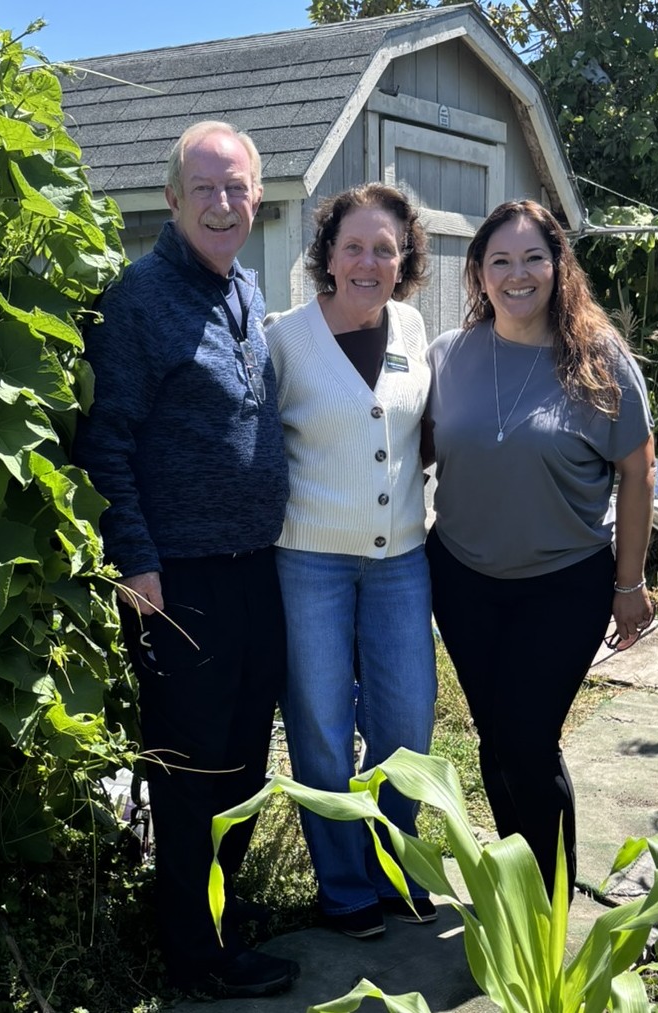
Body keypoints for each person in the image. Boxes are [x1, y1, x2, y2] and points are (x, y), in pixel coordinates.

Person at [73, 121, 300, 998]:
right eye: (204, 188)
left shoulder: (244, 287)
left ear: (257, 197)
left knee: (244, 757)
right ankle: (195, 956)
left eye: (236, 187)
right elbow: (106, 442)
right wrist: (136, 561)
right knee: (191, 766)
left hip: (255, 568)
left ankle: (213, 914)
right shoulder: (139, 300)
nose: (222, 203)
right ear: (171, 199)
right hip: (178, 578)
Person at [423, 199, 655, 899]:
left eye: (532, 258)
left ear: (558, 267)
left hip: (564, 584)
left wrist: (630, 582)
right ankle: (517, 889)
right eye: (500, 260)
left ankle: (550, 903)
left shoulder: (598, 359)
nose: (516, 274)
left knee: (527, 737)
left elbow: (639, 470)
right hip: (463, 580)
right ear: (478, 273)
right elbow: (411, 449)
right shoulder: (449, 355)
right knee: (495, 737)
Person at [263, 183, 437, 940]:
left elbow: (417, 432)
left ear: (405, 260)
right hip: (309, 562)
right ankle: (343, 889)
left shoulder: (413, 327)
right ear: (328, 256)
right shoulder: (285, 339)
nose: (369, 262)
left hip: (401, 560)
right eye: (354, 247)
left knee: (408, 722)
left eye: (385, 249)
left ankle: (393, 863)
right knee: (322, 727)